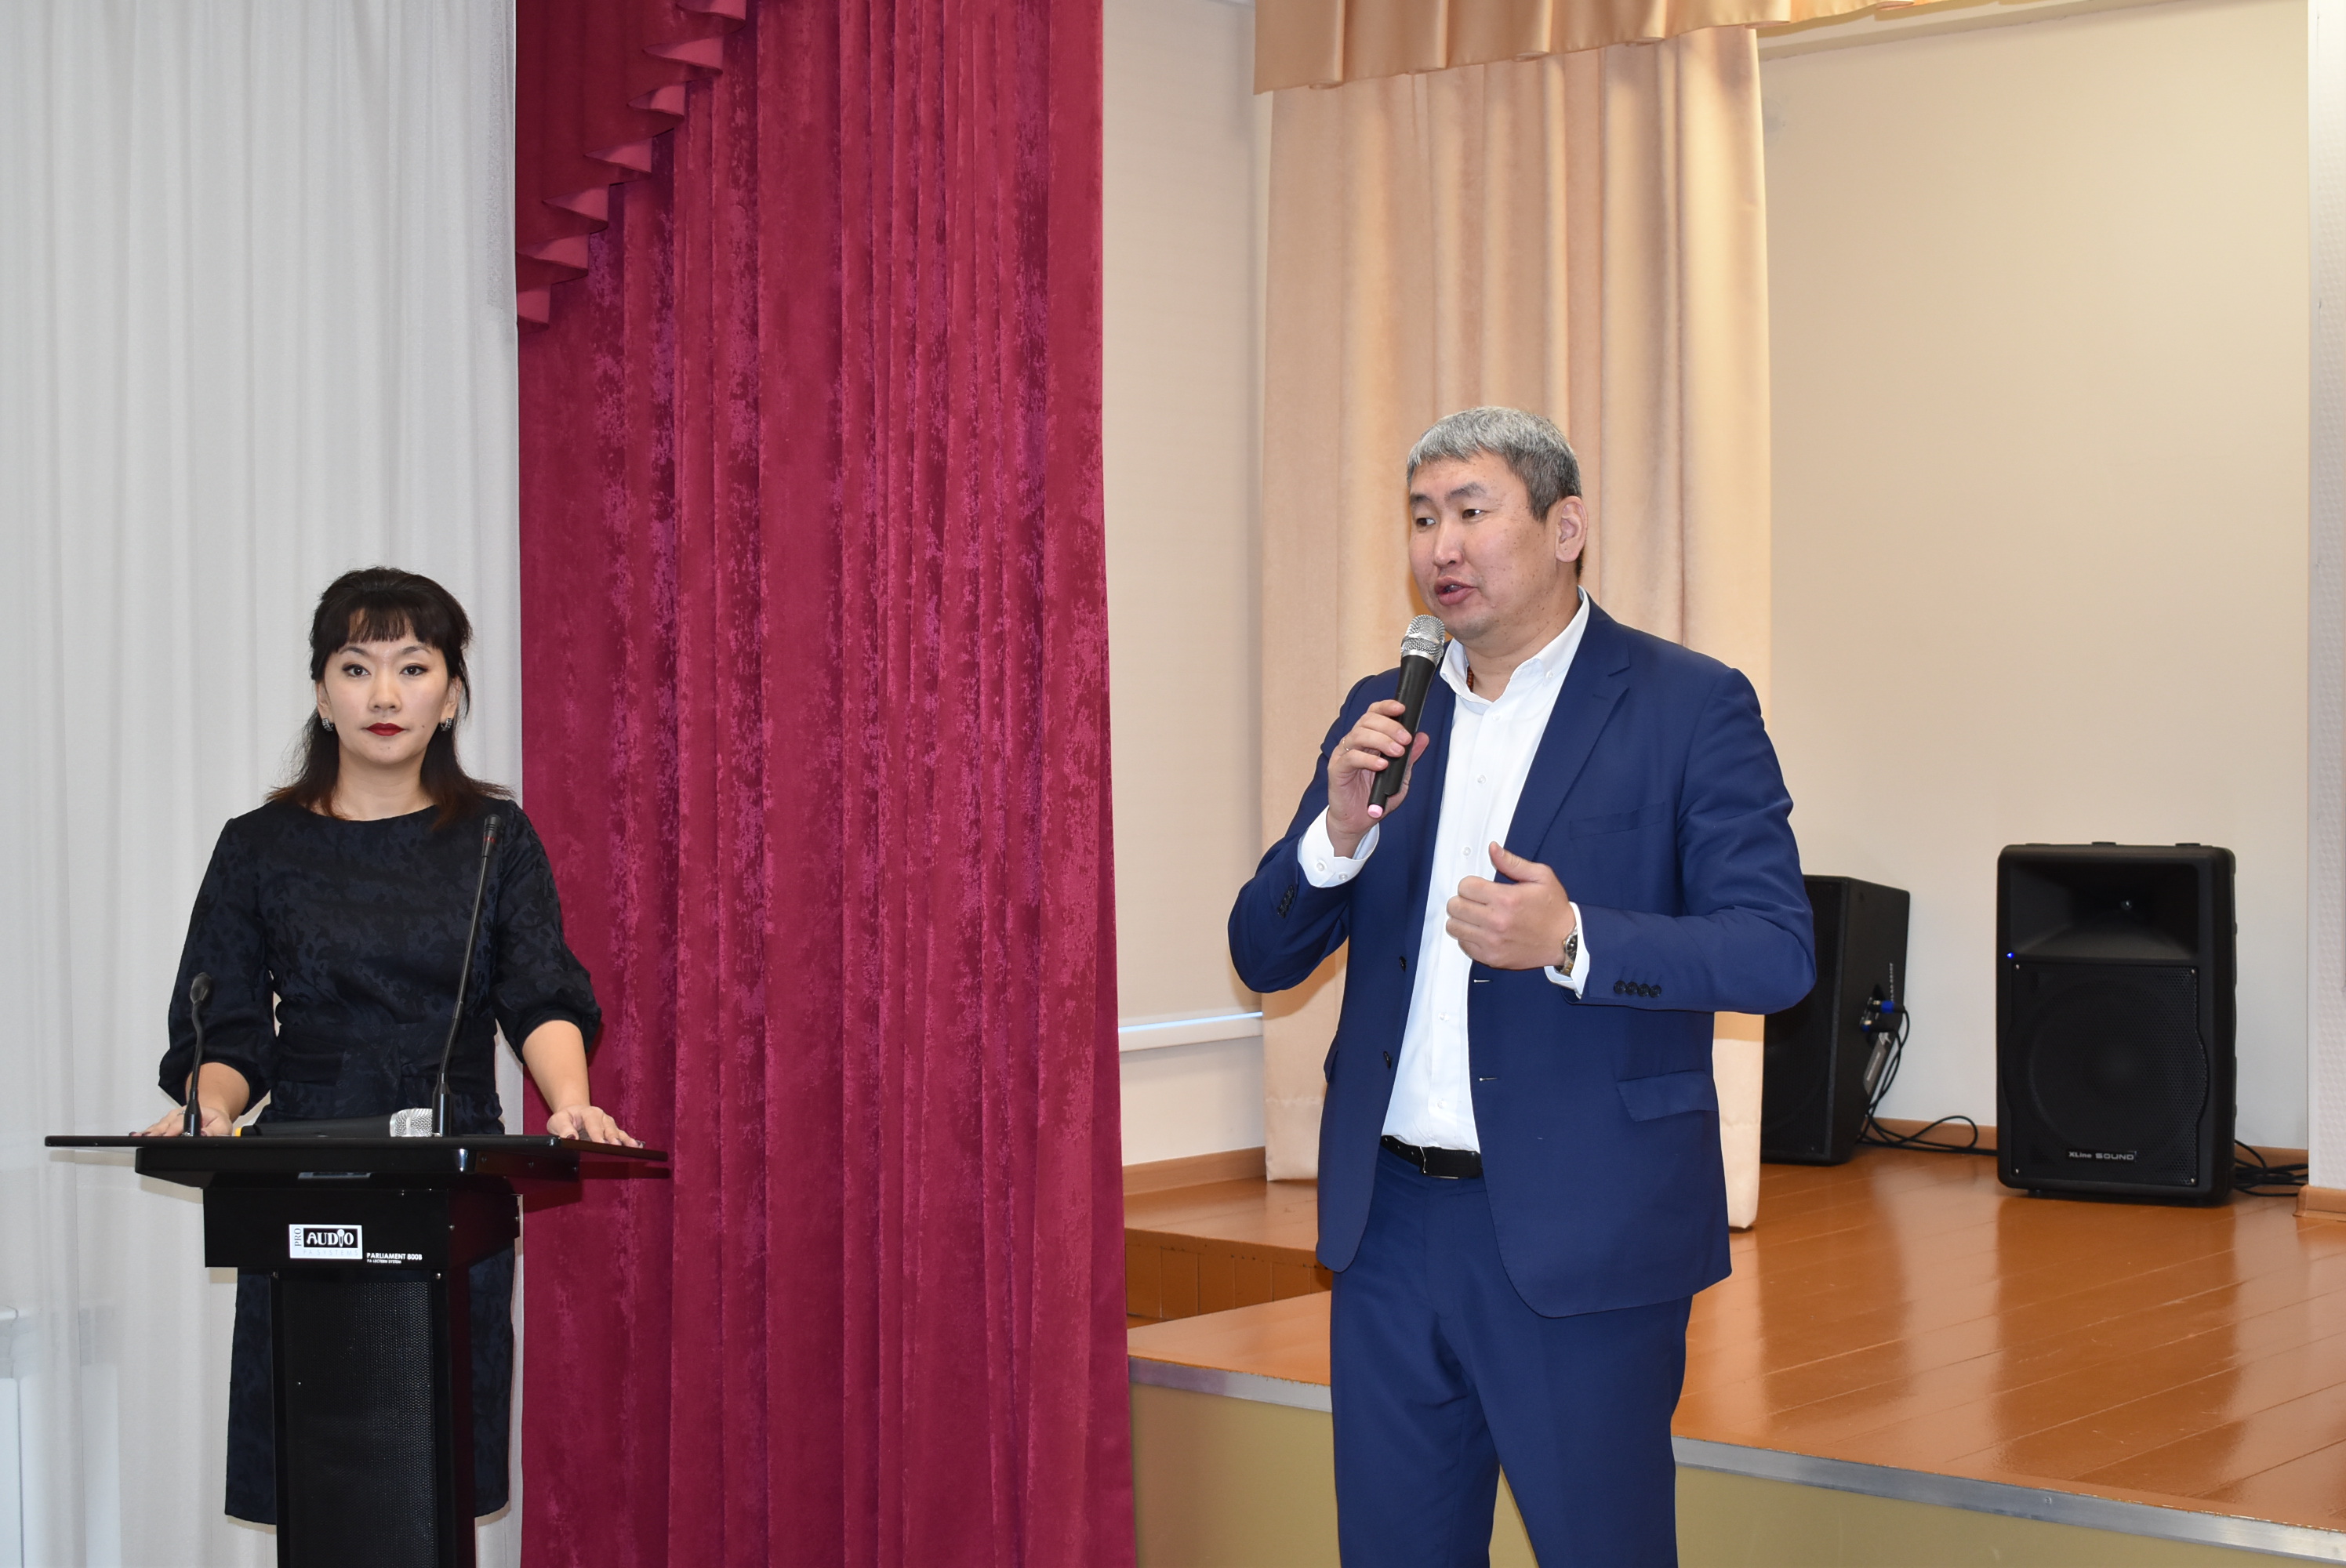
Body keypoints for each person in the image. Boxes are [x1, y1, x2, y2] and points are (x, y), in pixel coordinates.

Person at [1228, 408, 1814, 1566]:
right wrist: (1333, 838)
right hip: (1388, 1229)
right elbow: (1263, 952)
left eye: (1471, 511)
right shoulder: (1387, 710)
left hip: (1584, 1228)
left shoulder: (1688, 704)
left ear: (1565, 528)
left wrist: (1573, 936)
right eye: (1421, 518)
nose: (1440, 546)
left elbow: (1772, 949)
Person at [140, 565, 636, 1525]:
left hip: (450, 1171)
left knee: (428, 1474)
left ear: (450, 696)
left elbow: (539, 994)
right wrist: (212, 1108)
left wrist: (570, 1101)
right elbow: (226, 1020)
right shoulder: (257, 846)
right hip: (304, 1166)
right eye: (356, 666)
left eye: (413, 667)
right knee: (319, 1472)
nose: (384, 693)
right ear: (322, 692)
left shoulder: (495, 838)